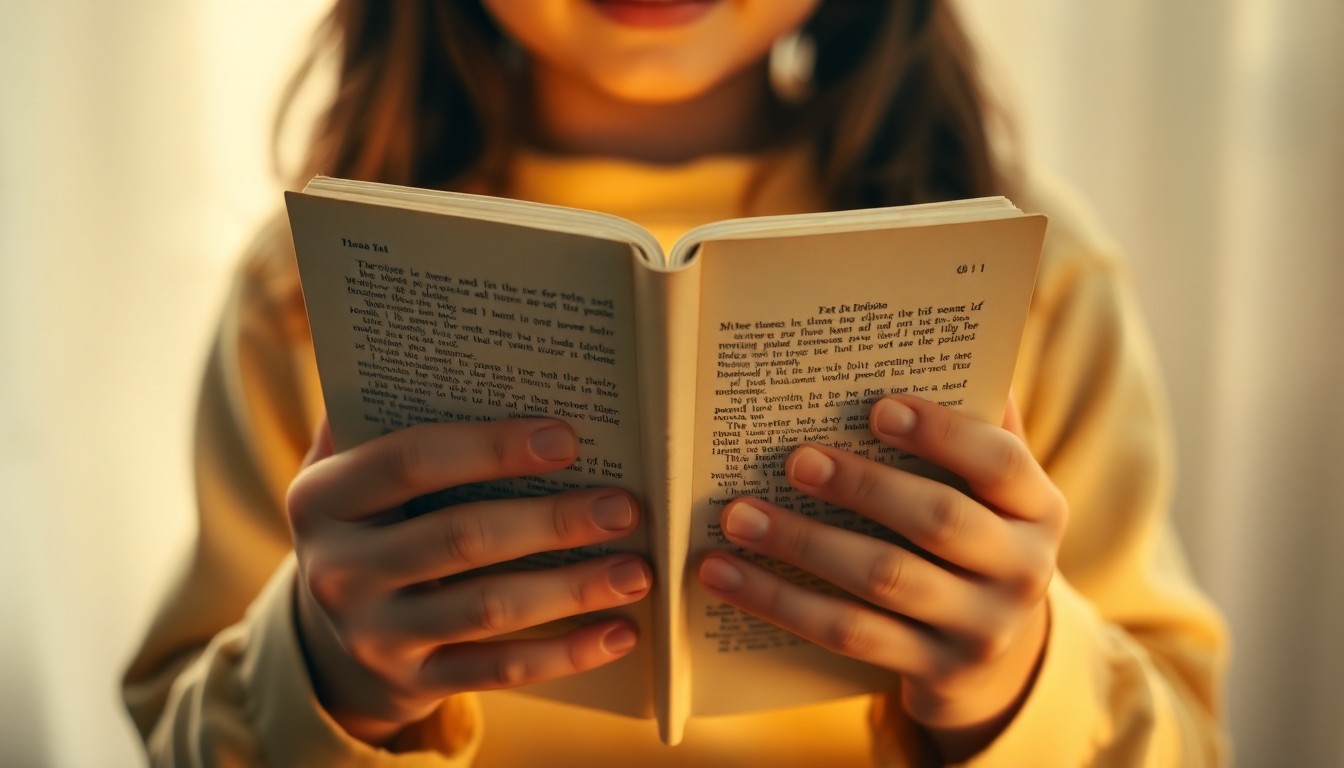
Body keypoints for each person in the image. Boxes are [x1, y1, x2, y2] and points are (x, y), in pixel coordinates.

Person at [122, 1, 1228, 765]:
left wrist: (1015, 678)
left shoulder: (1033, 274)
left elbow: (1185, 735)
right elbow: (179, 726)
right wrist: (327, 672)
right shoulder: (308, 289)